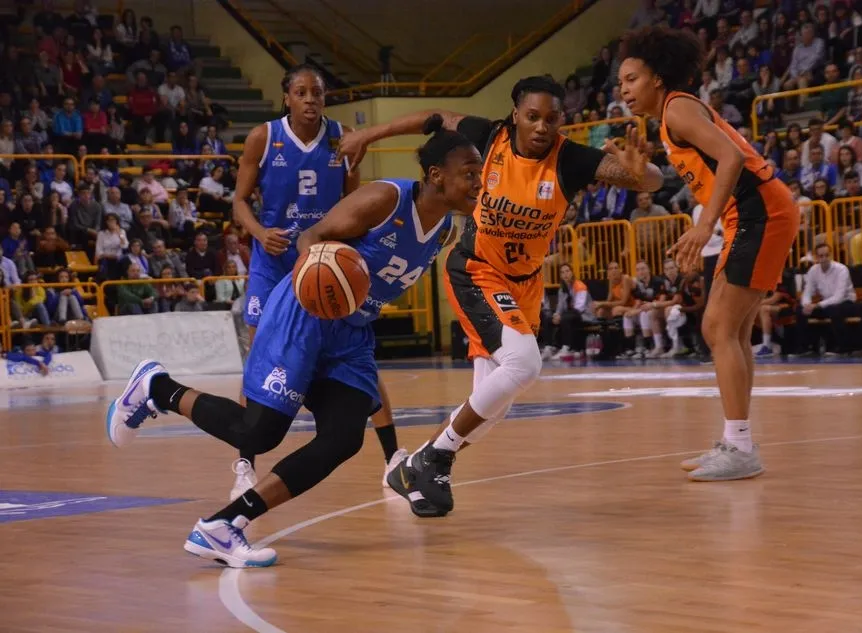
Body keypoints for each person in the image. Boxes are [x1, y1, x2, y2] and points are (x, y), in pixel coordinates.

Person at [105, 117, 483, 567]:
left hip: (351, 334)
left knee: (343, 438)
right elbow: (310, 238)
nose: (479, 182)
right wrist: (328, 279)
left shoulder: (445, 229)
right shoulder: (387, 199)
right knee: (259, 433)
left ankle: (223, 525)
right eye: (470, 173)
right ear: (436, 175)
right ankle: (156, 388)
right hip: (305, 314)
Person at [339, 75, 663, 517]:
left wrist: (644, 173)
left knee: (492, 409)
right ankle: (433, 458)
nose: (542, 126)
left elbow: (646, 181)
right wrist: (368, 135)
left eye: (551, 118)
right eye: (532, 117)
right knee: (524, 364)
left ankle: (414, 469)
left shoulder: (570, 158)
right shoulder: (487, 138)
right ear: (515, 116)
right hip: (477, 270)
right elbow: (433, 117)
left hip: (524, 284)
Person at [619, 26, 800, 481]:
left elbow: (732, 158)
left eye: (631, 79)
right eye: (621, 82)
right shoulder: (670, 116)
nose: (623, 89)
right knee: (730, 330)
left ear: (658, 77)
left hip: (760, 212)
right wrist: (640, 173)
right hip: (751, 215)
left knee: (718, 327)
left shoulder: (677, 108)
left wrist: (703, 225)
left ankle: (739, 446)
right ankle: (737, 441)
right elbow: (700, 169)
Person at [229, 63, 404, 498]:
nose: (310, 100)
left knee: (357, 351)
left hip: (325, 260)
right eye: (302, 92)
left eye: (318, 93)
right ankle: (244, 464)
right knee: (258, 355)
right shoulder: (263, 137)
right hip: (274, 259)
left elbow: (354, 203)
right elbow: (239, 201)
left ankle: (393, 459)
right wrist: (259, 233)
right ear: (286, 97)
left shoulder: (344, 138)